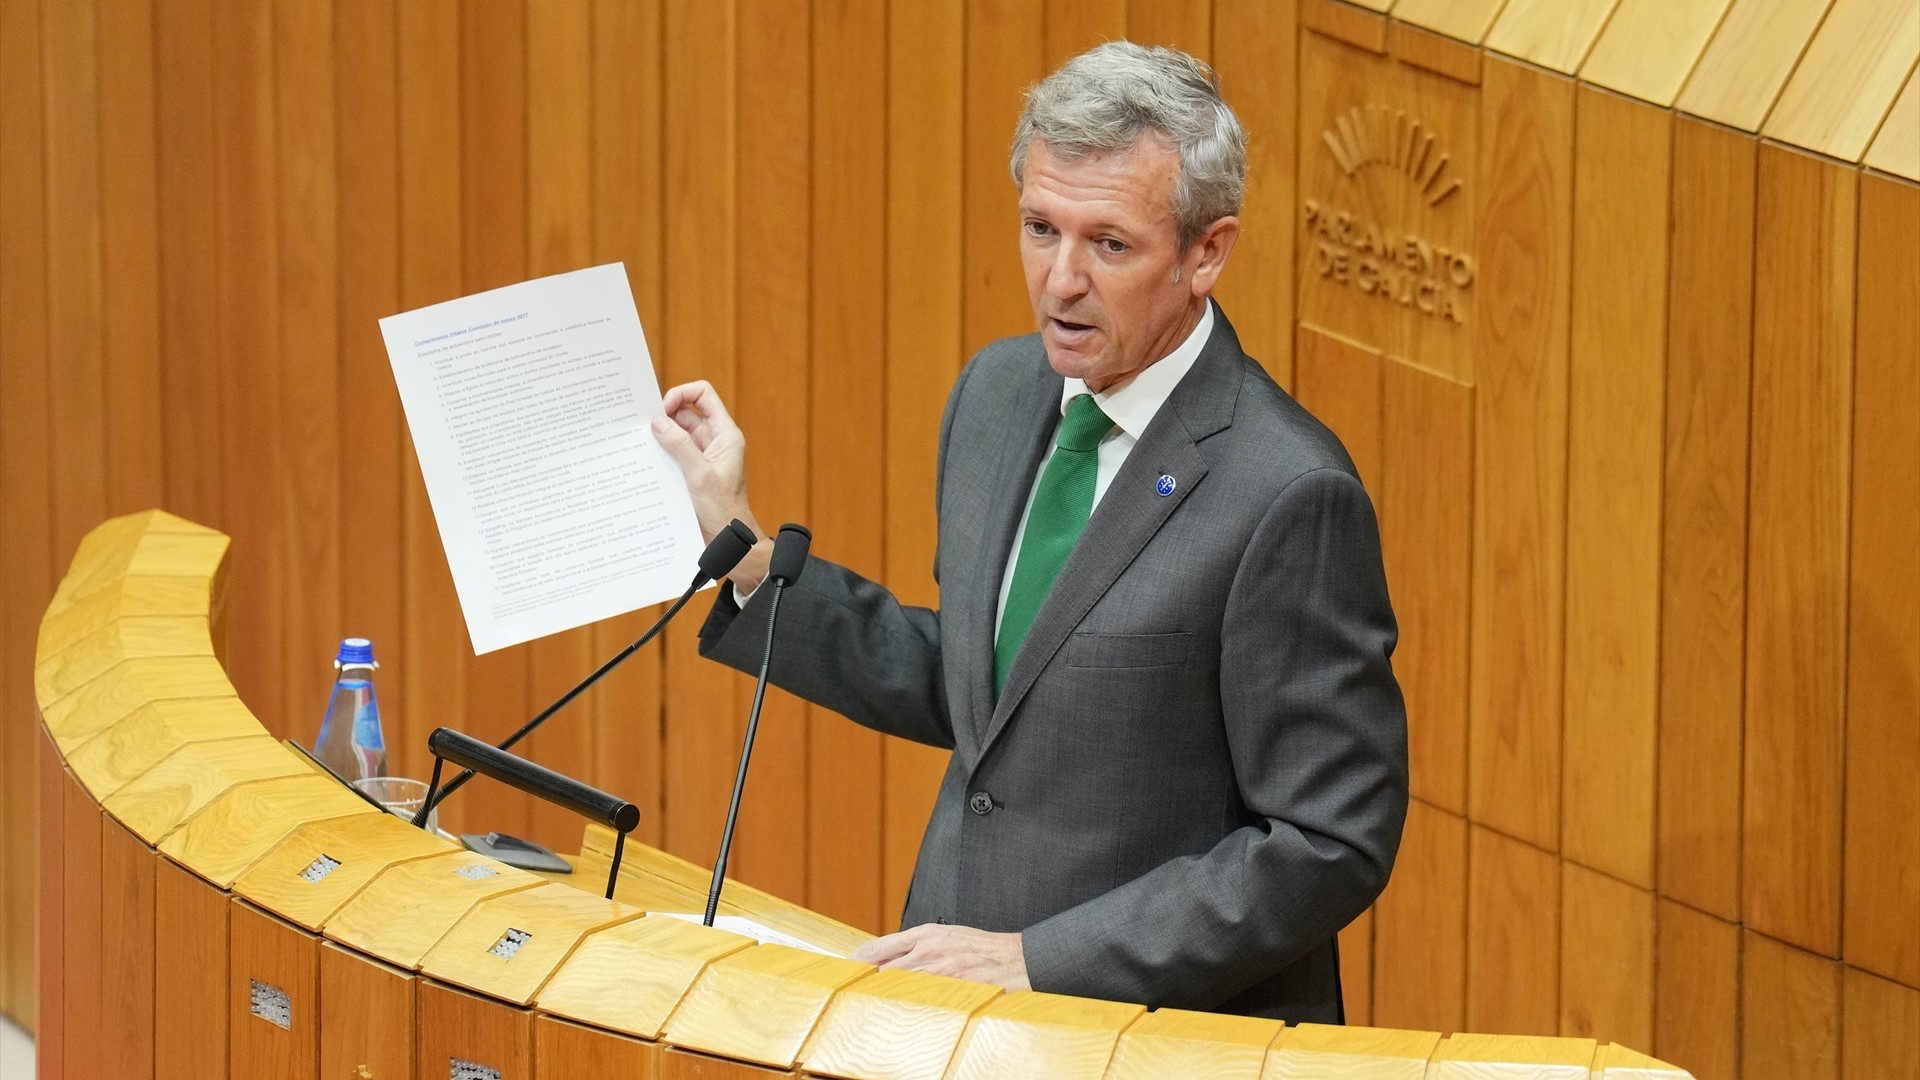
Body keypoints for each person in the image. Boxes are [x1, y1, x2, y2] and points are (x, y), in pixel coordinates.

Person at [651, 41, 1407, 1022]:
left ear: (1207, 254)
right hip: (950, 1010)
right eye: (1040, 228)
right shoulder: (999, 393)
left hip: (1150, 1037)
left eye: (1110, 245)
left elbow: (1328, 842)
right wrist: (752, 558)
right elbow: (984, 686)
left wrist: (1042, 960)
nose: (1059, 281)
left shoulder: (1288, 492)